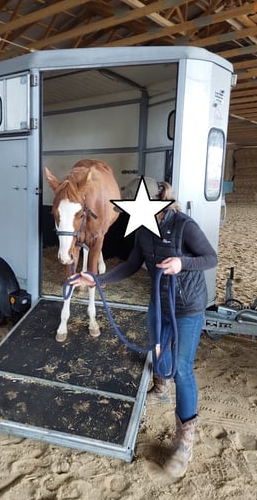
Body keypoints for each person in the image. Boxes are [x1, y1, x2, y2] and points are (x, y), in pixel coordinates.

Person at [68, 178, 217, 478]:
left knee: (184, 369)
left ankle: (185, 442)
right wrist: (95, 279)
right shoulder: (143, 230)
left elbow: (210, 257)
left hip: (187, 307)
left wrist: (182, 264)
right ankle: (161, 388)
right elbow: (131, 265)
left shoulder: (185, 226)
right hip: (159, 302)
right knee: (158, 351)